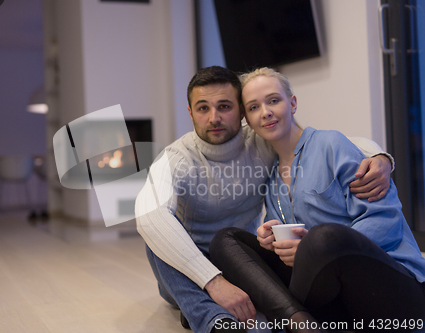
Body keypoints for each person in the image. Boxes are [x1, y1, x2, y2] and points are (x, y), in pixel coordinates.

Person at [135, 66, 393, 333]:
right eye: (203, 108)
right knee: (157, 236)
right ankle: (215, 320)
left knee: (236, 254)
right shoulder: (175, 158)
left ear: (241, 112)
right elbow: (147, 216)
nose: (214, 118)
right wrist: (213, 282)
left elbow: (324, 142)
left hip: (235, 260)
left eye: (224, 106)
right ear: (190, 113)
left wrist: (380, 158)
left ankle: (224, 311)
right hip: (185, 271)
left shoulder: (259, 140)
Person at [209, 67, 425, 333]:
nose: (265, 112)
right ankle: (302, 324)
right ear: (248, 120)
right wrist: (271, 242)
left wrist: (313, 252)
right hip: (336, 303)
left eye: (273, 100)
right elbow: (297, 243)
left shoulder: (331, 144)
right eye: (254, 107)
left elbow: (385, 219)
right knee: (225, 240)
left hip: (396, 293)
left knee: (322, 238)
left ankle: (282, 320)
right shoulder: (271, 179)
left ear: (293, 103)